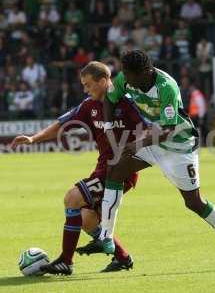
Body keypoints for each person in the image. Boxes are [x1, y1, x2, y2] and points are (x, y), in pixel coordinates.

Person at [80, 50, 215, 270]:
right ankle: (106, 238)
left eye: (130, 77)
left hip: (179, 148)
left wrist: (133, 145)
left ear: (145, 72)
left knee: (194, 203)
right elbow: (110, 100)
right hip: (153, 143)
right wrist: (110, 129)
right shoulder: (126, 77)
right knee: (116, 170)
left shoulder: (166, 87)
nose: (126, 81)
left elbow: (168, 130)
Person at [11, 61, 146, 275]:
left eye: (88, 84)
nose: (85, 89)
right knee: (86, 219)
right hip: (103, 169)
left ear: (103, 81)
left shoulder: (126, 103)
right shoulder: (89, 106)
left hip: (121, 171)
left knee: (72, 198)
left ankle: (66, 261)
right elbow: (62, 124)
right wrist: (33, 139)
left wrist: (134, 157)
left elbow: (147, 131)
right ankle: (122, 257)